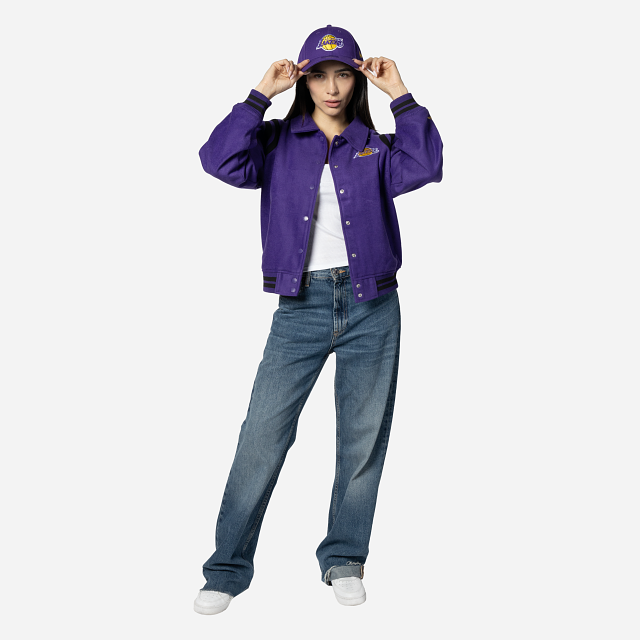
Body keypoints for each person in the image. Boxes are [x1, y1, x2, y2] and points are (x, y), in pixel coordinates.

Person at [194, 24, 443, 614]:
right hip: (300, 307)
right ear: (303, 81)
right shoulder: (277, 141)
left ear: (357, 80)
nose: (332, 88)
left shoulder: (374, 146)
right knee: (262, 437)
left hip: (372, 305)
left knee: (362, 439)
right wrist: (259, 94)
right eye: (320, 76)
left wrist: (400, 94)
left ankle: (344, 558)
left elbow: (427, 164)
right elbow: (218, 159)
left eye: (343, 76)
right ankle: (226, 569)